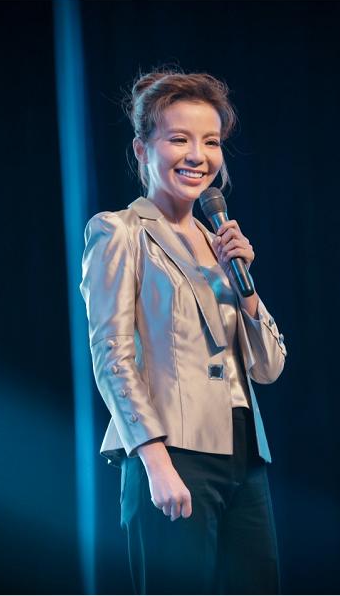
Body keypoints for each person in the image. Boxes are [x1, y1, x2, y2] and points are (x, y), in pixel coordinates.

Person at [79, 68, 288, 595]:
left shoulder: (219, 243)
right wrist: (155, 463)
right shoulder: (120, 231)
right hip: (172, 453)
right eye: (179, 139)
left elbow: (268, 367)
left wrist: (245, 288)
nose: (198, 155)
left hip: (245, 456)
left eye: (210, 141)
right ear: (142, 148)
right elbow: (111, 356)